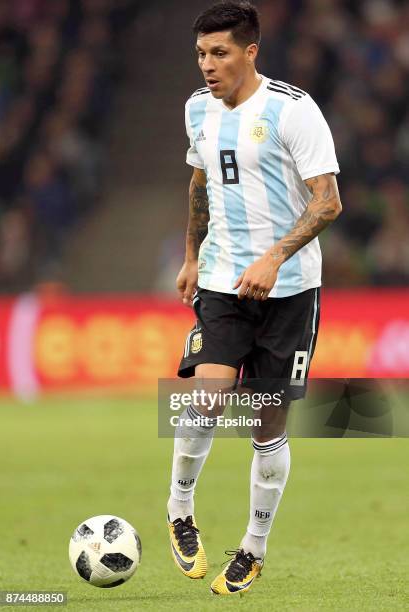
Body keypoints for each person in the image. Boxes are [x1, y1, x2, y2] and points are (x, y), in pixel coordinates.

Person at [167, 0, 342, 596]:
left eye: (219, 53)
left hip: (289, 291)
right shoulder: (196, 109)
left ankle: (252, 549)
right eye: (200, 54)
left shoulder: (293, 111)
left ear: (250, 52)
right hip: (221, 281)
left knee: (266, 424)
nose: (207, 66)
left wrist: (274, 258)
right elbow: (200, 182)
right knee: (209, 395)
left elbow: (327, 200)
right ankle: (180, 509)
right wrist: (193, 256)